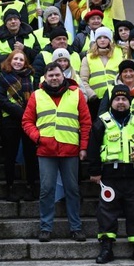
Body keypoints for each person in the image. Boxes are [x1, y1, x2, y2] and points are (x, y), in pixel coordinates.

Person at [87, 85, 134, 264]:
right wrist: (94, 171)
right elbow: (93, 148)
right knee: (107, 212)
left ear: (129, 102)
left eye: (124, 99)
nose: (120, 102)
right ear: (111, 102)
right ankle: (106, 248)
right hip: (109, 176)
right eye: (117, 99)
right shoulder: (102, 121)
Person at [22, 62, 92, 243]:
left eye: (57, 75)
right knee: (46, 190)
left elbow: (85, 122)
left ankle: (76, 228)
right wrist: (37, 137)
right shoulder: (37, 95)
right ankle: (46, 228)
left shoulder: (76, 94)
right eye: (50, 75)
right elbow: (27, 121)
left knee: (72, 190)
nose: (54, 78)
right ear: (45, 77)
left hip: (70, 150)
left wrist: (83, 147)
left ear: (64, 75)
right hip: (46, 150)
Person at [0, 50, 37, 202]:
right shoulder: (2, 77)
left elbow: (36, 97)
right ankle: (9, 187)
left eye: (21, 59)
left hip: (29, 121)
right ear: (10, 60)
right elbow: (1, 100)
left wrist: (27, 115)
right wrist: (21, 113)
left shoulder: (31, 77)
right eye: (15, 59)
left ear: (25, 62)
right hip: (10, 120)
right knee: (10, 155)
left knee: (30, 154)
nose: (18, 62)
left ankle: (31, 186)